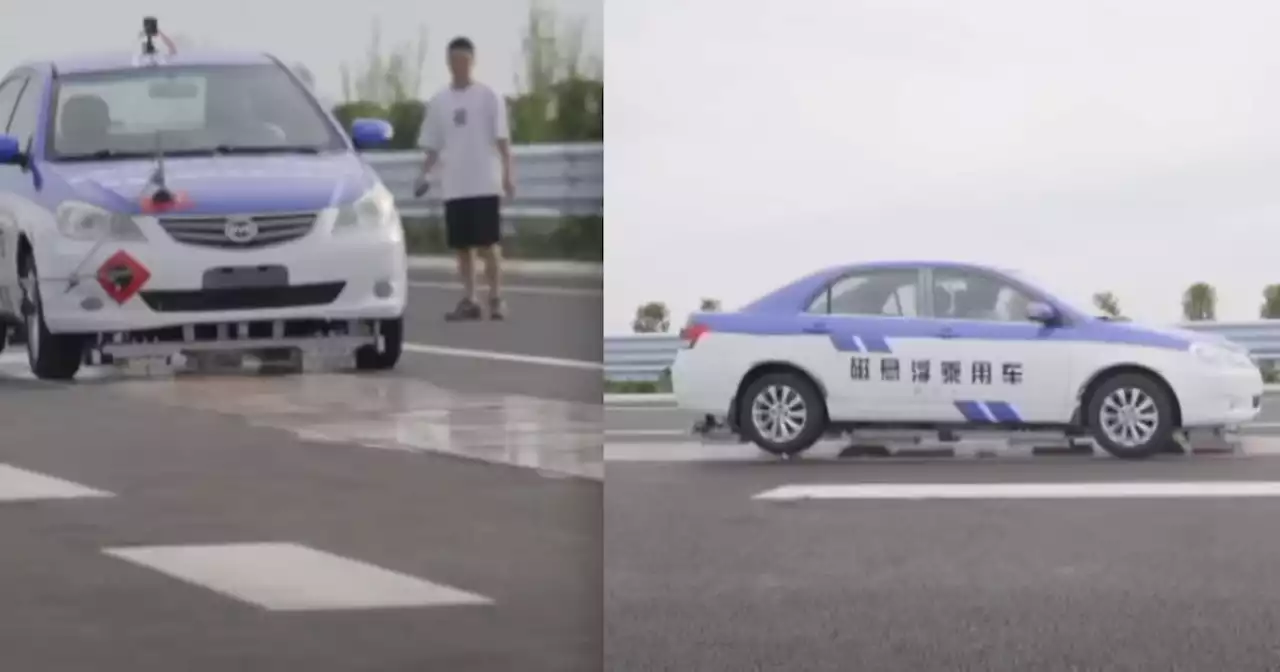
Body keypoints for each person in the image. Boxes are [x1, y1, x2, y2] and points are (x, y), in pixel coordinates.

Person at [415, 36, 515, 321]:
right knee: (462, 248)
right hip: (455, 185)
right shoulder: (439, 101)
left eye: (464, 61)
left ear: (472, 61)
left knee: (488, 245)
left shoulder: (489, 96)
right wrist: (424, 173)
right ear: (448, 63)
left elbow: (503, 142)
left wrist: (509, 173)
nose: (459, 66)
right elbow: (432, 145)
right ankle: (470, 299)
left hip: (484, 181)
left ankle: (496, 297)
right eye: (454, 61)